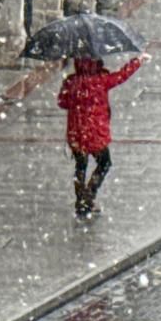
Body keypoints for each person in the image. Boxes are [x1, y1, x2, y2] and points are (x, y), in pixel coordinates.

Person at [57, 53, 146, 219]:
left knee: (80, 166)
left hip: (76, 132)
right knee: (104, 163)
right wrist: (138, 61)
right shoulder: (102, 80)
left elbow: (62, 102)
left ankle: (80, 201)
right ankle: (89, 195)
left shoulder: (71, 81)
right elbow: (121, 75)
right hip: (95, 133)